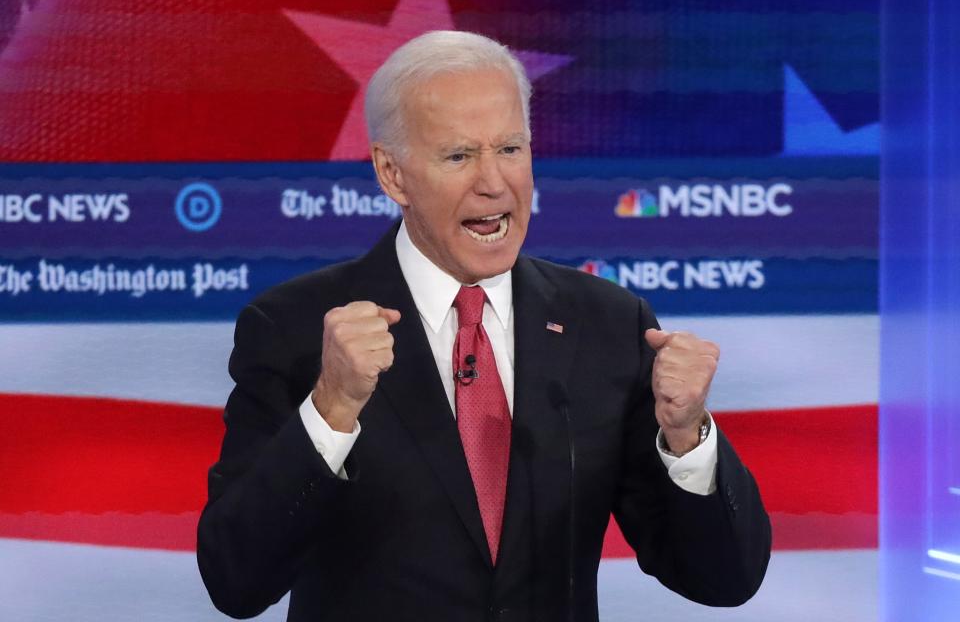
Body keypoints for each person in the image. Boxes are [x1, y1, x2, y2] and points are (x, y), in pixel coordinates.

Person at [197, 30, 770, 622]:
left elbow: (724, 578)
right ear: (392, 175)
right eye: (459, 155)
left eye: (511, 149)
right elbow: (236, 581)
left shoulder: (609, 326)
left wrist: (687, 436)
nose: (494, 183)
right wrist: (332, 407)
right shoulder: (294, 331)